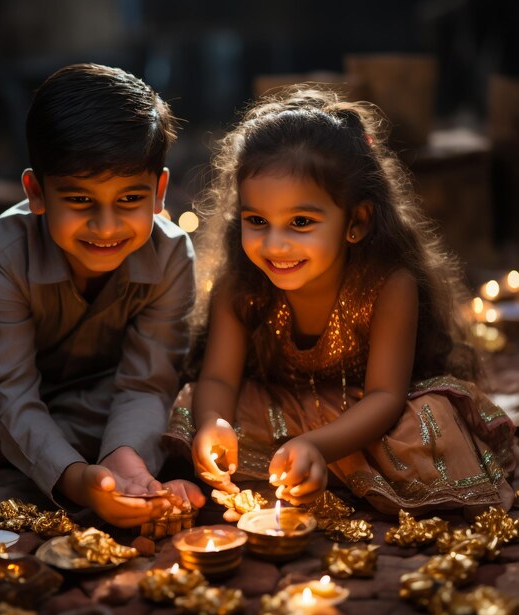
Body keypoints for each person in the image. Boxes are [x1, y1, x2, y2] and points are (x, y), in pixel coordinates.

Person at [165, 85, 518, 518]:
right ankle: (312, 469)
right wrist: (213, 424)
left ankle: (318, 463)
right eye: (257, 221)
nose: (275, 245)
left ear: (357, 221)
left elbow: (386, 397)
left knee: (430, 419)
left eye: (300, 222)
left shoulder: (389, 284)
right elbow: (218, 380)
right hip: (278, 408)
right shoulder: (240, 285)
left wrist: (317, 443)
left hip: (368, 419)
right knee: (192, 403)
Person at [0, 63, 205, 527]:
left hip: (111, 393)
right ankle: (27, 443)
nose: (105, 227)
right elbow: (11, 391)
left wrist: (124, 459)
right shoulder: (1, 254)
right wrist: (78, 480)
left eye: (129, 200)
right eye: (80, 201)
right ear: (36, 192)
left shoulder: (172, 253)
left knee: (173, 403)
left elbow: (144, 385)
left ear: (159, 192)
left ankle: (8, 446)